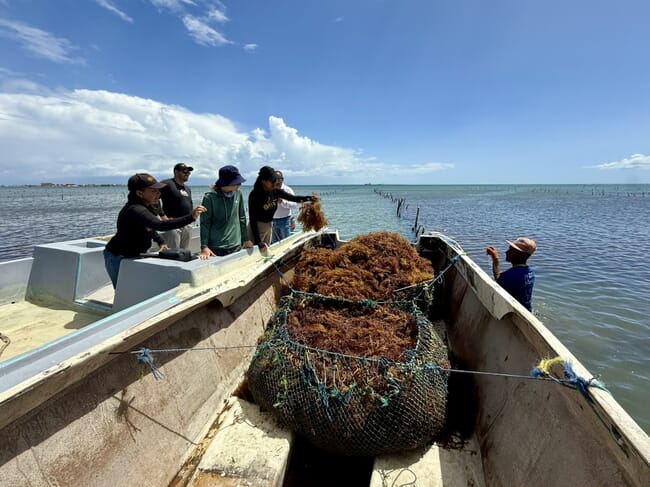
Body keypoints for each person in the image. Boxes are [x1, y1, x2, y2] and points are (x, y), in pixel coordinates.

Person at [104, 173, 206, 288]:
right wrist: (191, 217)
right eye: (153, 191)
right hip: (118, 256)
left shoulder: (147, 206)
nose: (159, 193)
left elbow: (149, 228)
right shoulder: (135, 210)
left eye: (158, 190)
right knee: (123, 289)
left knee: (138, 286)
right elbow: (159, 225)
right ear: (139, 193)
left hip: (137, 253)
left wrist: (161, 241)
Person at [248, 166, 316, 249]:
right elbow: (252, 219)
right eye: (272, 181)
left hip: (269, 225)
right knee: (255, 254)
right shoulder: (254, 195)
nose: (275, 183)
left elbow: (294, 198)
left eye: (275, 180)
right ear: (263, 181)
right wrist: (258, 241)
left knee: (266, 253)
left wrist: (308, 198)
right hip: (257, 227)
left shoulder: (275, 192)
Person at [199, 166, 253, 259]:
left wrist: (246, 239)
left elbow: (242, 217)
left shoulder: (238, 194)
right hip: (216, 247)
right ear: (226, 182)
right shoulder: (209, 198)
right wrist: (204, 247)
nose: (239, 185)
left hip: (236, 244)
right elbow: (205, 223)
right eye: (237, 182)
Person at [486, 237, 537, 311]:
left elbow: (498, 281)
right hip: (527, 310)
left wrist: (495, 259)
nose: (506, 252)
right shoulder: (530, 272)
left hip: (515, 312)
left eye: (511, 250)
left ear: (520, 255)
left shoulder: (510, 275)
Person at [159, 162, 195, 249]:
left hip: (187, 225)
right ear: (176, 172)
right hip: (173, 225)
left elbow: (189, 204)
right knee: (173, 254)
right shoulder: (166, 183)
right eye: (184, 172)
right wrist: (163, 216)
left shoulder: (187, 189)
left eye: (188, 172)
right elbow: (153, 198)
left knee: (183, 253)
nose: (187, 174)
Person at [272, 170, 298, 243]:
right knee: (274, 243)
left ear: (282, 179)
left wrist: (283, 202)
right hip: (273, 221)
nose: (276, 181)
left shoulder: (288, 190)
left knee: (286, 243)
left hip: (285, 220)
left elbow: (294, 205)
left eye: (278, 179)